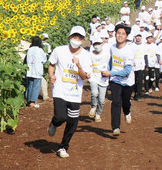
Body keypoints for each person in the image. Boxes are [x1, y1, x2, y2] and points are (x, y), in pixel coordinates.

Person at [46, 26, 92, 157]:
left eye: (79, 38)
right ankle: (54, 123)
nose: (76, 40)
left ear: (83, 40)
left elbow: (84, 77)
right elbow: (51, 64)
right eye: (74, 37)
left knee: (72, 122)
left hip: (75, 94)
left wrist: (78, 65)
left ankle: (63, 147)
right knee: (61, 117)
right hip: (60, 90)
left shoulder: (86, 56)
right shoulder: (59, 50)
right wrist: (51, 76)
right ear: (69, 37)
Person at [104, 23, 135, 136]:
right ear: (115, 34)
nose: (120, 36)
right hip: (115, 80)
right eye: (118, 33)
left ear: (126, 36)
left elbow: (127, 71)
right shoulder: (112, 47)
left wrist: (110, 72)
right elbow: (110, 61)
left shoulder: (129, 51)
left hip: (127, 81)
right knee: (116, 102)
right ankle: (115, 127)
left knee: (125, 102)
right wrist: (107, 73)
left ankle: (127, 112)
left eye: (123, 34)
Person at [87, 34, 110, 121]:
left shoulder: (106, 55)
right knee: (94, 93)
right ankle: (93, 106)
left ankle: (98, 114)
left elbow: (110, 65)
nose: (97, 46)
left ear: (102, 44)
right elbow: (88, 65)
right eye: (95, 44)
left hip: (103, 78)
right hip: (93, 76)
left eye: (98, 44)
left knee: (101, 100)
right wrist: (88, 73)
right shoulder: (90, 54)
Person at [24, 35, 48, 108]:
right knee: (36, 86)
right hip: (37, 71)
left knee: (30, 86)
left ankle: (28, 101)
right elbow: (44, 60)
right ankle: (33, 102)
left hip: (29, 70)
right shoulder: (40, 50)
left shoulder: (29, 50)